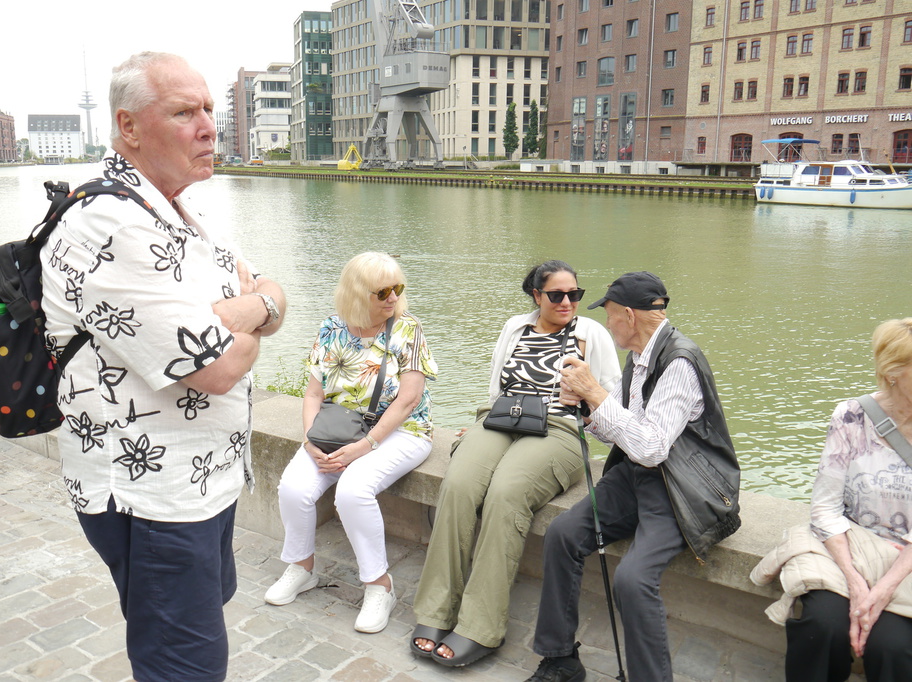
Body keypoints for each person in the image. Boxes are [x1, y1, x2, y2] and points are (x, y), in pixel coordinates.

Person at [39, 52, 286, 682]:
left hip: (201, 481)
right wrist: (255, 313)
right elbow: (219, 368)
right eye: (184, 112)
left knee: (193, 635)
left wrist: (247, 309)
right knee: (184, 665)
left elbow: (272, 294)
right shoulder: (111, 223)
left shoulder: (173, 211)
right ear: (128, 126)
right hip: (154, 497)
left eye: (208, 109)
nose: (208, 126)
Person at [525, 271, 740, 682]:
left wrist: (596, 393)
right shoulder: (639, 357)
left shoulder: (679, 362)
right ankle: (560, 658)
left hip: (680, 488)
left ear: (628, 315)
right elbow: (625, 432)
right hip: (637, 475)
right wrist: (587, 408)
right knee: (562, 534)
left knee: (633, 579)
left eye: (609, 315)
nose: (607, 324)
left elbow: (652, 447)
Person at [410, 260, 620, 667]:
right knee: (458, 485)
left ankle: (481, 626)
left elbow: (611, 402)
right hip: (502, 419)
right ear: (536, 295)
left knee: (506, 494)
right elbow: (496, 387)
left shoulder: (590, 334)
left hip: (559, 430)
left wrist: (587, 400)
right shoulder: (515, 327)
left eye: (574, 294)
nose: (567, 302)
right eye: (556, 295)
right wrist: (478, 427)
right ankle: (436, 610)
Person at [264, 252, 437, 634]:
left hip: (402, 431)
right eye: (382, 292)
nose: (394, 297)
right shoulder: (331, 328)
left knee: (353, 491)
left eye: (397, 288)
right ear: (357, 294)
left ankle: (379, 586)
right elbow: (313, 394)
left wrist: (365, 446)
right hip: (338, 428)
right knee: (293, 487)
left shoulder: (407, 329)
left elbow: (409, 400)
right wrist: (310, 442)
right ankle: (301, 567)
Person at [752, 319, 912, 682]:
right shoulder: (851, 417)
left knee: (892, 646)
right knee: (822, 626)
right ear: (893, 372)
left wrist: (882, 589)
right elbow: (825, 507)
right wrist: (855, 581)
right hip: (851, 545)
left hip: (907, 558)